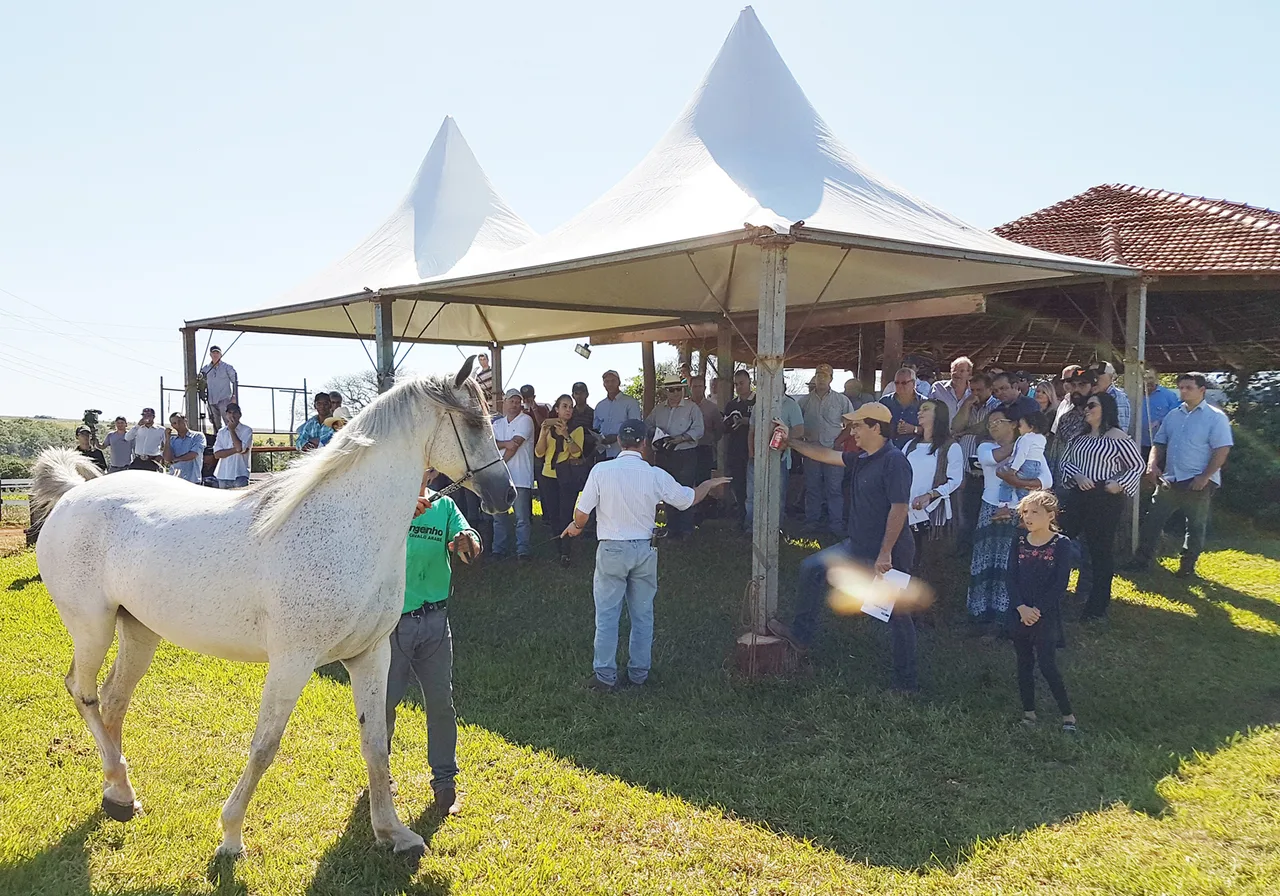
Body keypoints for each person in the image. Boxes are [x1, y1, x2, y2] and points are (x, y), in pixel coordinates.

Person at [563, 419, 729, 691]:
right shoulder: (655, 474)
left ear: (619, 442)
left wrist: (577, 527)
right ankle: (638, 675)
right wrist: (708, 484)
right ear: (644, 443)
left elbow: (582, 513)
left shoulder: (601, 470)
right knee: (642, 615)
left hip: (611, 549)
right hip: (643, 549)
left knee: (607, 616)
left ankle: (604, 676)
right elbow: (688, 499)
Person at [766, 403, 919, 692]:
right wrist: (791, 442)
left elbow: (899, 509)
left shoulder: (894, 461)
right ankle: (800, 636)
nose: (852, 431)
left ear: (876, 428)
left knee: (898, 616)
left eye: (858, 425)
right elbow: (825, 455)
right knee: (810, 568)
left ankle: (906, 683)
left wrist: (885, 553)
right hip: (855, 546)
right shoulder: (863, 458)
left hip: (888, 553)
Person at [386, 470, 481, 817]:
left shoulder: (445, 506)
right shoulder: (386, 502)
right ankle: (380, 779)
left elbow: (469, 542)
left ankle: (445, 783)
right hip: (393, 624)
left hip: (436, 622)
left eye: (427, 466)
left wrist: (467, 542)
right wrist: (399, 514)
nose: (422, 470)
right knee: (385, 704)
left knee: (441, 704)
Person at [1128, 372, 1233, 579]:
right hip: (1170, 479)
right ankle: (1142, 561)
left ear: (1202, 390)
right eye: (1181, 387)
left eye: (1188, 388)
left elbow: (1222, 450)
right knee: (1152, 522)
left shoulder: (1215, 417)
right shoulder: (1174, 415)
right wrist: (1152, 465)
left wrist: (1205, 476)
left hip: (1198, 481)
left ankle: (1187, 567)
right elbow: (1159, 443)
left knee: (1194, 526)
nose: (1183, 391)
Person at [1059, 391, 1144, 620]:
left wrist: (1119, 483)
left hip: (1104, 498)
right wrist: (1077, 477)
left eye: (1092, 405)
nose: (1087, 409)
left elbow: (1137, 466)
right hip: (1078, 495)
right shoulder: (1079, 437)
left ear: (1105, 408)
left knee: (1100, 551)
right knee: (1060, 539)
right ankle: (1054, 594)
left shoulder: (1118, 437)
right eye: (1086, 406)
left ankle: (1097, 607)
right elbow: (1065, 462)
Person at [966, 409, 1052, 628]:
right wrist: (1024, 444)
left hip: (1019, 512)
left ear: (1014, 424)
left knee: (1010, 564)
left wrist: (1017, 482)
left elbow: (1046, 481)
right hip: (990, 509)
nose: (992, 426)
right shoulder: (986, 447)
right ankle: (980, 615)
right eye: (990, 423)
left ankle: (1008, 619)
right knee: (985, 561)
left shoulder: (1030, 447)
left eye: (998, 421)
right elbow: (992, 460)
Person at [1007, 490, 1077, 733]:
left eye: (1035, 512)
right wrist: (1020, 608)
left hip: (1045, 616)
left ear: (1050, 515)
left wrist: (1036, 610)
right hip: (1020, 613)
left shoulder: (1062, 544)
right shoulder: (1019, 541)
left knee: (1047, 665)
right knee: (1023, 663)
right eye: (1025, 512)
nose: (1028, 517)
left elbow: (1060, 584)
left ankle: (1068, 716)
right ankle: (1029, 714)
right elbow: (1010, 577)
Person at [902, 399, 964, 576]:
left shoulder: (950, 447)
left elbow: (955, 480)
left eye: (926, 409)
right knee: (907, 556)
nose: (919, 412)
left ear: (939, 415)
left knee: (929, 560)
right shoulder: (910, 445)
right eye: (920, 409)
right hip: (907, 509)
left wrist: (930, 495)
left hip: (932, 513)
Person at [645, 376, 703, 540]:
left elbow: (699, 429)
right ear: (666, 391)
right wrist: (657, 436)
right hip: (664, 454)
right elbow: (647, 424)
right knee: (666, 490)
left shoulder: (692, 408)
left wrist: (681, 438)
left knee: (685, 490)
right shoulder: (658, 409)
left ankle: (686, 529)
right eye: (671, 389)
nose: (675, 393)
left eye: (678, 389)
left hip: (685, 454)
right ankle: (670, 528)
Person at [800, 364, 853, 536]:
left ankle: (836, 526)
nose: (821, 379)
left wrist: (839, 441)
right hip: (812, 450)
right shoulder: (804, 401)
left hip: (833, 452)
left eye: (825, 376)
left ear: (831, 378)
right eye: (818, 375)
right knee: (812, 488)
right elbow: (796, 423)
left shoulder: (841, 400)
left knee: (834, 489)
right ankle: (811, 523)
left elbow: (851, 424)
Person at [535, 394, 586, 565]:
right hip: (548, 474)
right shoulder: (548, 428)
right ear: (556, 409)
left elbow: (577, 452)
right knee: (553, 515)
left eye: (570, 407)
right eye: (564, 406)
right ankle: (558, 547)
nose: (568, 410)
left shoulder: (576, 428)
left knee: (566, 514)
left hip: (567, 476)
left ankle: (566, 551)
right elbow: (539, 453)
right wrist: (543, 433)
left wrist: (566, 435)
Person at [745, 391, 804, 529]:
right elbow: (751, 430)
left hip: (779, 457)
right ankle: (750, 528)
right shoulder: (758, 405)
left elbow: (799, 430)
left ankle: (775, 530)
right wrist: (751, 453)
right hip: (757, 457)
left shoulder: (791, 405)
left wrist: (785, 440)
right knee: (752, 496)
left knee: (777, 496)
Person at [491, 389, 536, 560]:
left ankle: (522, 551)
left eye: (518, 402)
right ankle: (498, 549)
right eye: (512, 401)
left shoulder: (526, 420)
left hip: (520, 476)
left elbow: (515, 445)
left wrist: (501, 462)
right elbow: (491, 445)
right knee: (499, 516)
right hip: (500, 479)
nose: (515, 405)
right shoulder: (497, 424)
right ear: (505, 402)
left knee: (522, 518)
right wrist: (505, 443)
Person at [997, 410, 1052, 507]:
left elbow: (1021, 456)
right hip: (1036, 467)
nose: (1018, 428)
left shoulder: (1026, 438)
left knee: (1006, 483)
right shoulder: (1042, 439)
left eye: (1021, 425)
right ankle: (1024, 506)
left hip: (1025, 465)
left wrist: (1013, 470)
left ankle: (1003, 505)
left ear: (1031, 427)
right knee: (1023, 489)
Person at [723, 369, 755, 530]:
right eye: (736, 384)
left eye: (741, 383)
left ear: (750, 381)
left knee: (754, 488)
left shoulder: (758, 401)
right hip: (735, 451)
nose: (739, 387)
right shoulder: (731, 404)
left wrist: (747, 421)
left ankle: (754, 522)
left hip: (754, 452)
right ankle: (742, 519)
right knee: (739, 487)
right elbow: (724, 428)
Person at [594, 370, 643, 460]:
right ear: (603, 384)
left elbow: (635, 427)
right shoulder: (600, 406)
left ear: (619, 382)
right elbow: (596, 427)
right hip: (603, 453)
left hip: (623, 452)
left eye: (613, 381)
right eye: (607, 382)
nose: (610, 384)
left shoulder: (630, 403)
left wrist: (617, 437)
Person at [689, 374, 724, 486]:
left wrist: (711, 439)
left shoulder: (712, 408)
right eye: (695, 386)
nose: (697, 389)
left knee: (703, 483)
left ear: (704, 388)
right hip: (687, 449)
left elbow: (719, 430)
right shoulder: (684, 406)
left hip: (705, 449)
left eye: (700, 386)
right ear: (690, 388)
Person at [1138, 367, 1180, 457]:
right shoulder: (1132, 395)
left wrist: (1160, 421)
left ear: (1156, 378)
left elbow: (1177, 418)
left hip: (1160, 447)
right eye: (1144, 378)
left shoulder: (1169, 396)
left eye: (1150, 378)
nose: (1147, 381)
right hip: (1136, 445)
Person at [209, 403, 253, 489]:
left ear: (240, 414)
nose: (232, 415)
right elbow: (217, 454)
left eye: (235, 412)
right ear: (226, 415)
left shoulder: (247, 430)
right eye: (229, 412)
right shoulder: (221, 432)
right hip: (222, 474)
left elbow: (240, 448)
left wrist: (232, 430)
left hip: (240, 474)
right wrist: (236, 449)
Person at [880, 367, 925, 449]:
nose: (899, 386)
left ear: (914, 383)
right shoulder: (885, 402)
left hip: (914, 452)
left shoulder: (925, 403)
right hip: (888, 452)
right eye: (897, 383)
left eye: (904, 383)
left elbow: (933, 431)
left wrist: (914, 429)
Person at [200, 346, 238, 433]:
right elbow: (202, 383)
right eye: (214, 353)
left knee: (228, 421)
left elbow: (235, 381)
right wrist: (202, 394)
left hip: (224, 399)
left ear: (221, 354)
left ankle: (231, 440)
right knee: (214, 422)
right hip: (211, 400)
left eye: (217, 353)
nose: (215, 355)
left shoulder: (227, 367)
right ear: (210, 354)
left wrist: (234, 396)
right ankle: (218, 441)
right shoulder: (205, 369)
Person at [1089, 361, 1131, 434]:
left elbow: (1121, 428)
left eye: (1099, 374)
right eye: (1091, 374)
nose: (1095, 378)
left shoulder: (1118, 396)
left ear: (1111, 376)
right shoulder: (1091, 394)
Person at [163, 412, 206, 484]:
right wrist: (167, 439)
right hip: (175, 479)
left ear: (185, 420)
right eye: (174, 423)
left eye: (179, 421)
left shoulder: (197, 436)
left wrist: (176, 459)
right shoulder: (172, 440)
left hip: (192, 479)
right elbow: (167, 458)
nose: (178, 425)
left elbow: (194, 454)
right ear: (172, 426)